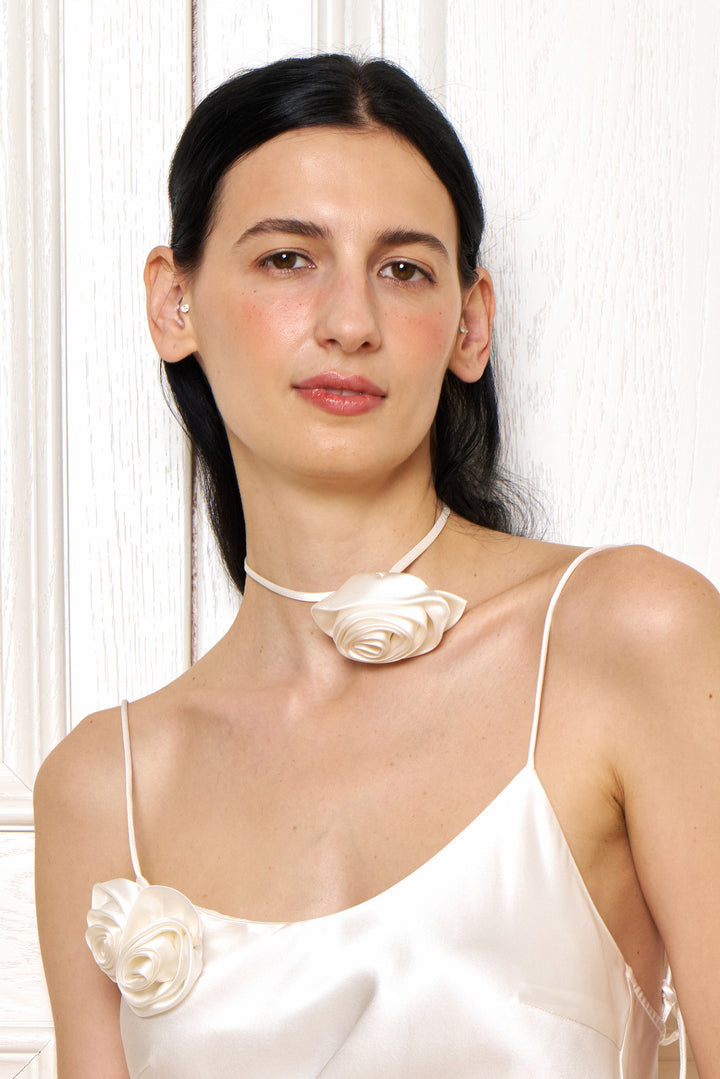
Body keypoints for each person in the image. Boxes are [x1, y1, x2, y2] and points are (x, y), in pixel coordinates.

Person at [34, 54, 719, 1078]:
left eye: (403, 270)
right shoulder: (104, 788)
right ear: (175, 303)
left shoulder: (628, 636)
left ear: (470, 323)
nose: (350, 323)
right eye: (287, 259)